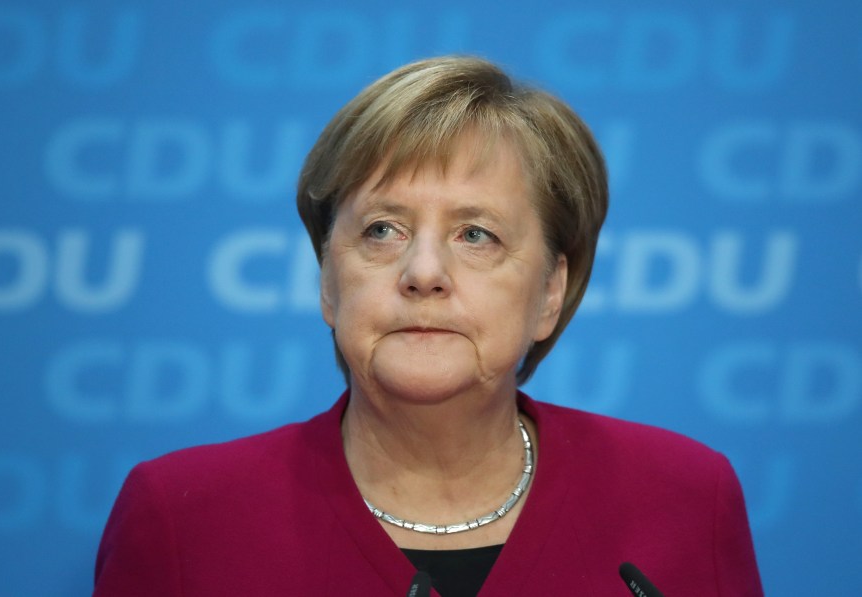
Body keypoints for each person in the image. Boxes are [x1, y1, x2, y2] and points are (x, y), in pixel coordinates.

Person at [93, 56, 764, 596]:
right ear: (329, 280)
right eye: (383, 230)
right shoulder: (185, 517)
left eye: (476, 234)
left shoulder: (683, 496)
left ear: (550, 292)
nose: (423, 271)